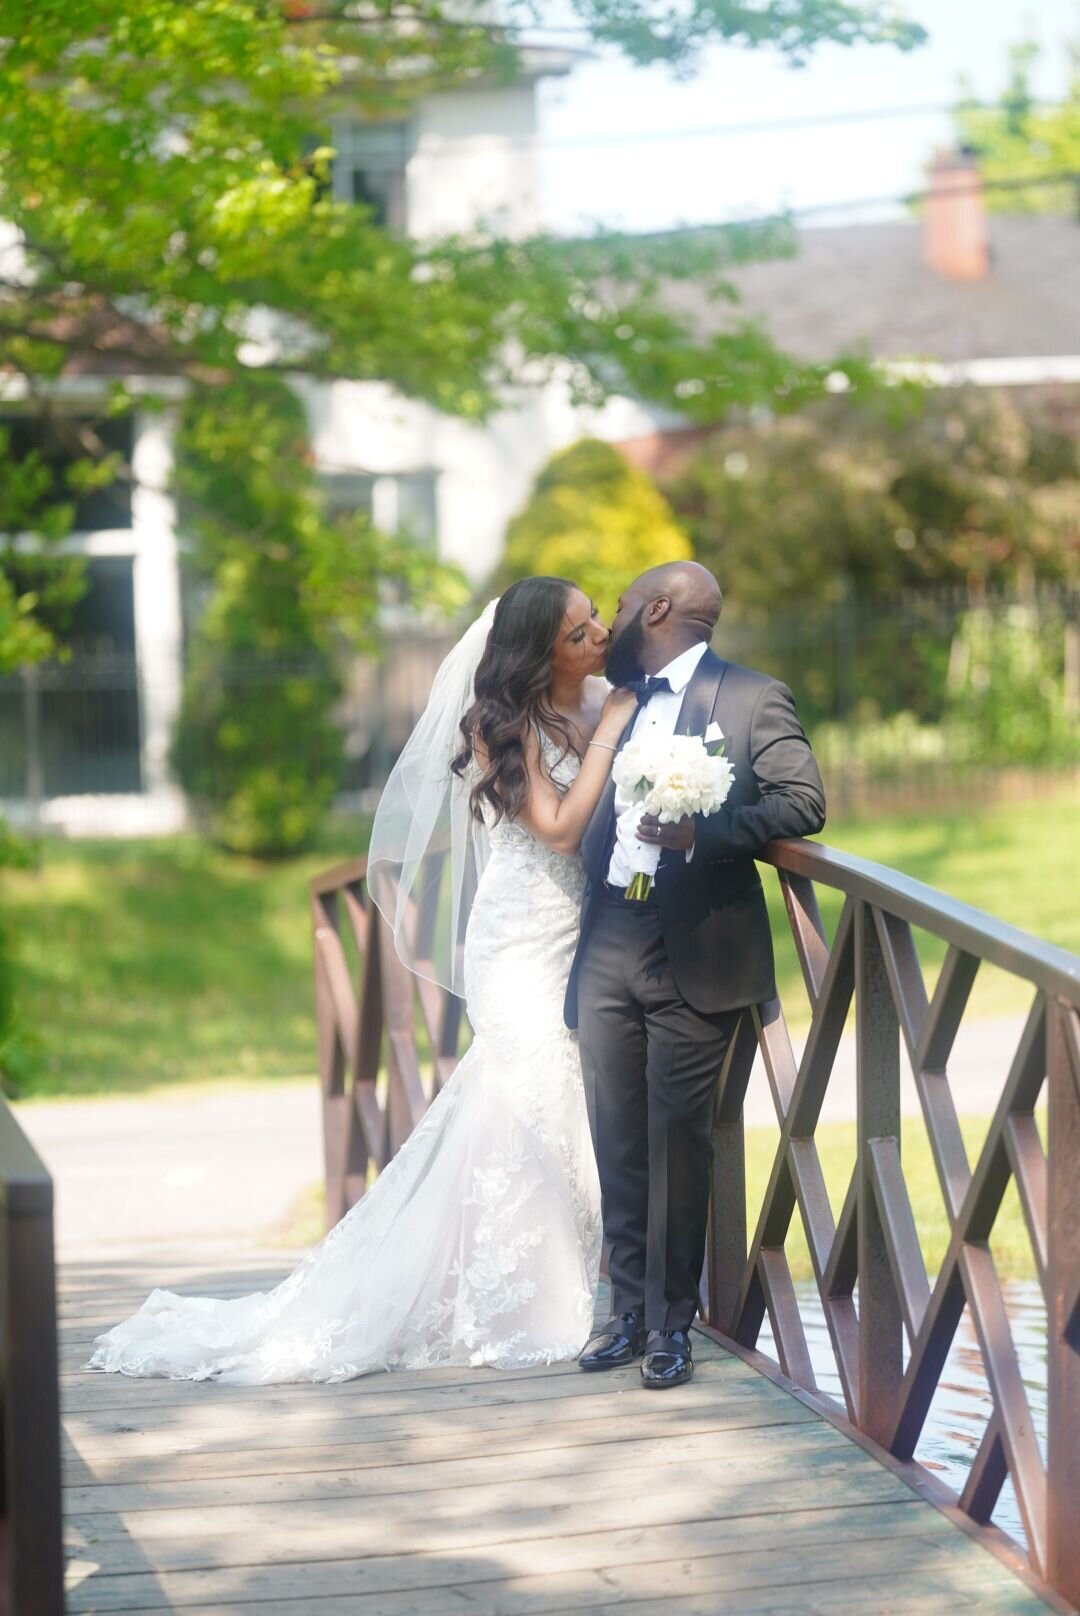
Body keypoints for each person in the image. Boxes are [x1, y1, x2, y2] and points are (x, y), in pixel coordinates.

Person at [87, 578, 636, 1383]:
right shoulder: (498, 725)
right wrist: (608, 740)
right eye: (579, 630)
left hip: (577, 936)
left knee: (540, 1110)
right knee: (531, 1101)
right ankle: (529, 1302)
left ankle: (546, 1286)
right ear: (537, 650)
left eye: (596, 620)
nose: (599, 636)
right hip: (519, 942)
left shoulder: (603, 698)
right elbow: (555, 831)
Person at [568, 561, 826, 1389]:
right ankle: (628, 1313)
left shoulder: (753, 699)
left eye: (618, 605)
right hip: (609, 936)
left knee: (679, 1138)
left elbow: (802, 803)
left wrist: (704, 831)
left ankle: (673, 1327)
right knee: (616, 1130)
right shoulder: (612, 704)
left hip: (698, 948)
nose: (609, 622)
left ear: (660, 608)